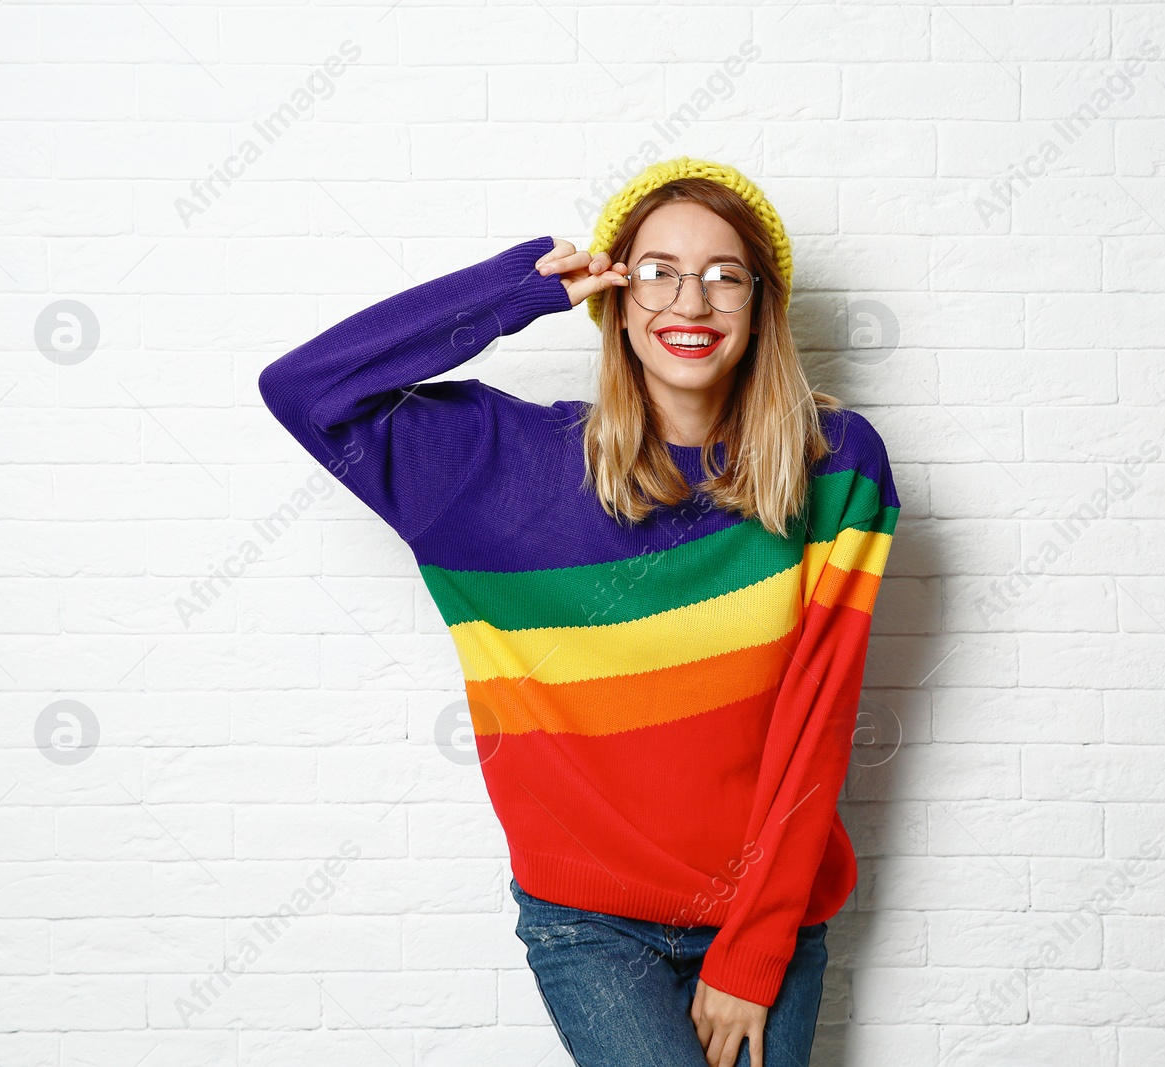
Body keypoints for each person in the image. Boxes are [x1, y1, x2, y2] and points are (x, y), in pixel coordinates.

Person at [258, 157, 899, 1067]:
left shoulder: (833, 466)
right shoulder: (497, 465)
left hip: (770, 912)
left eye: (726, 277)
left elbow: (819, 722)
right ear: (617, 294)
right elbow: (304, 391)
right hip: (590, 928)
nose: (692, 301)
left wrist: (754, 951)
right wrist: (516, 289)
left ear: (762, 307)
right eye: (658, 272)